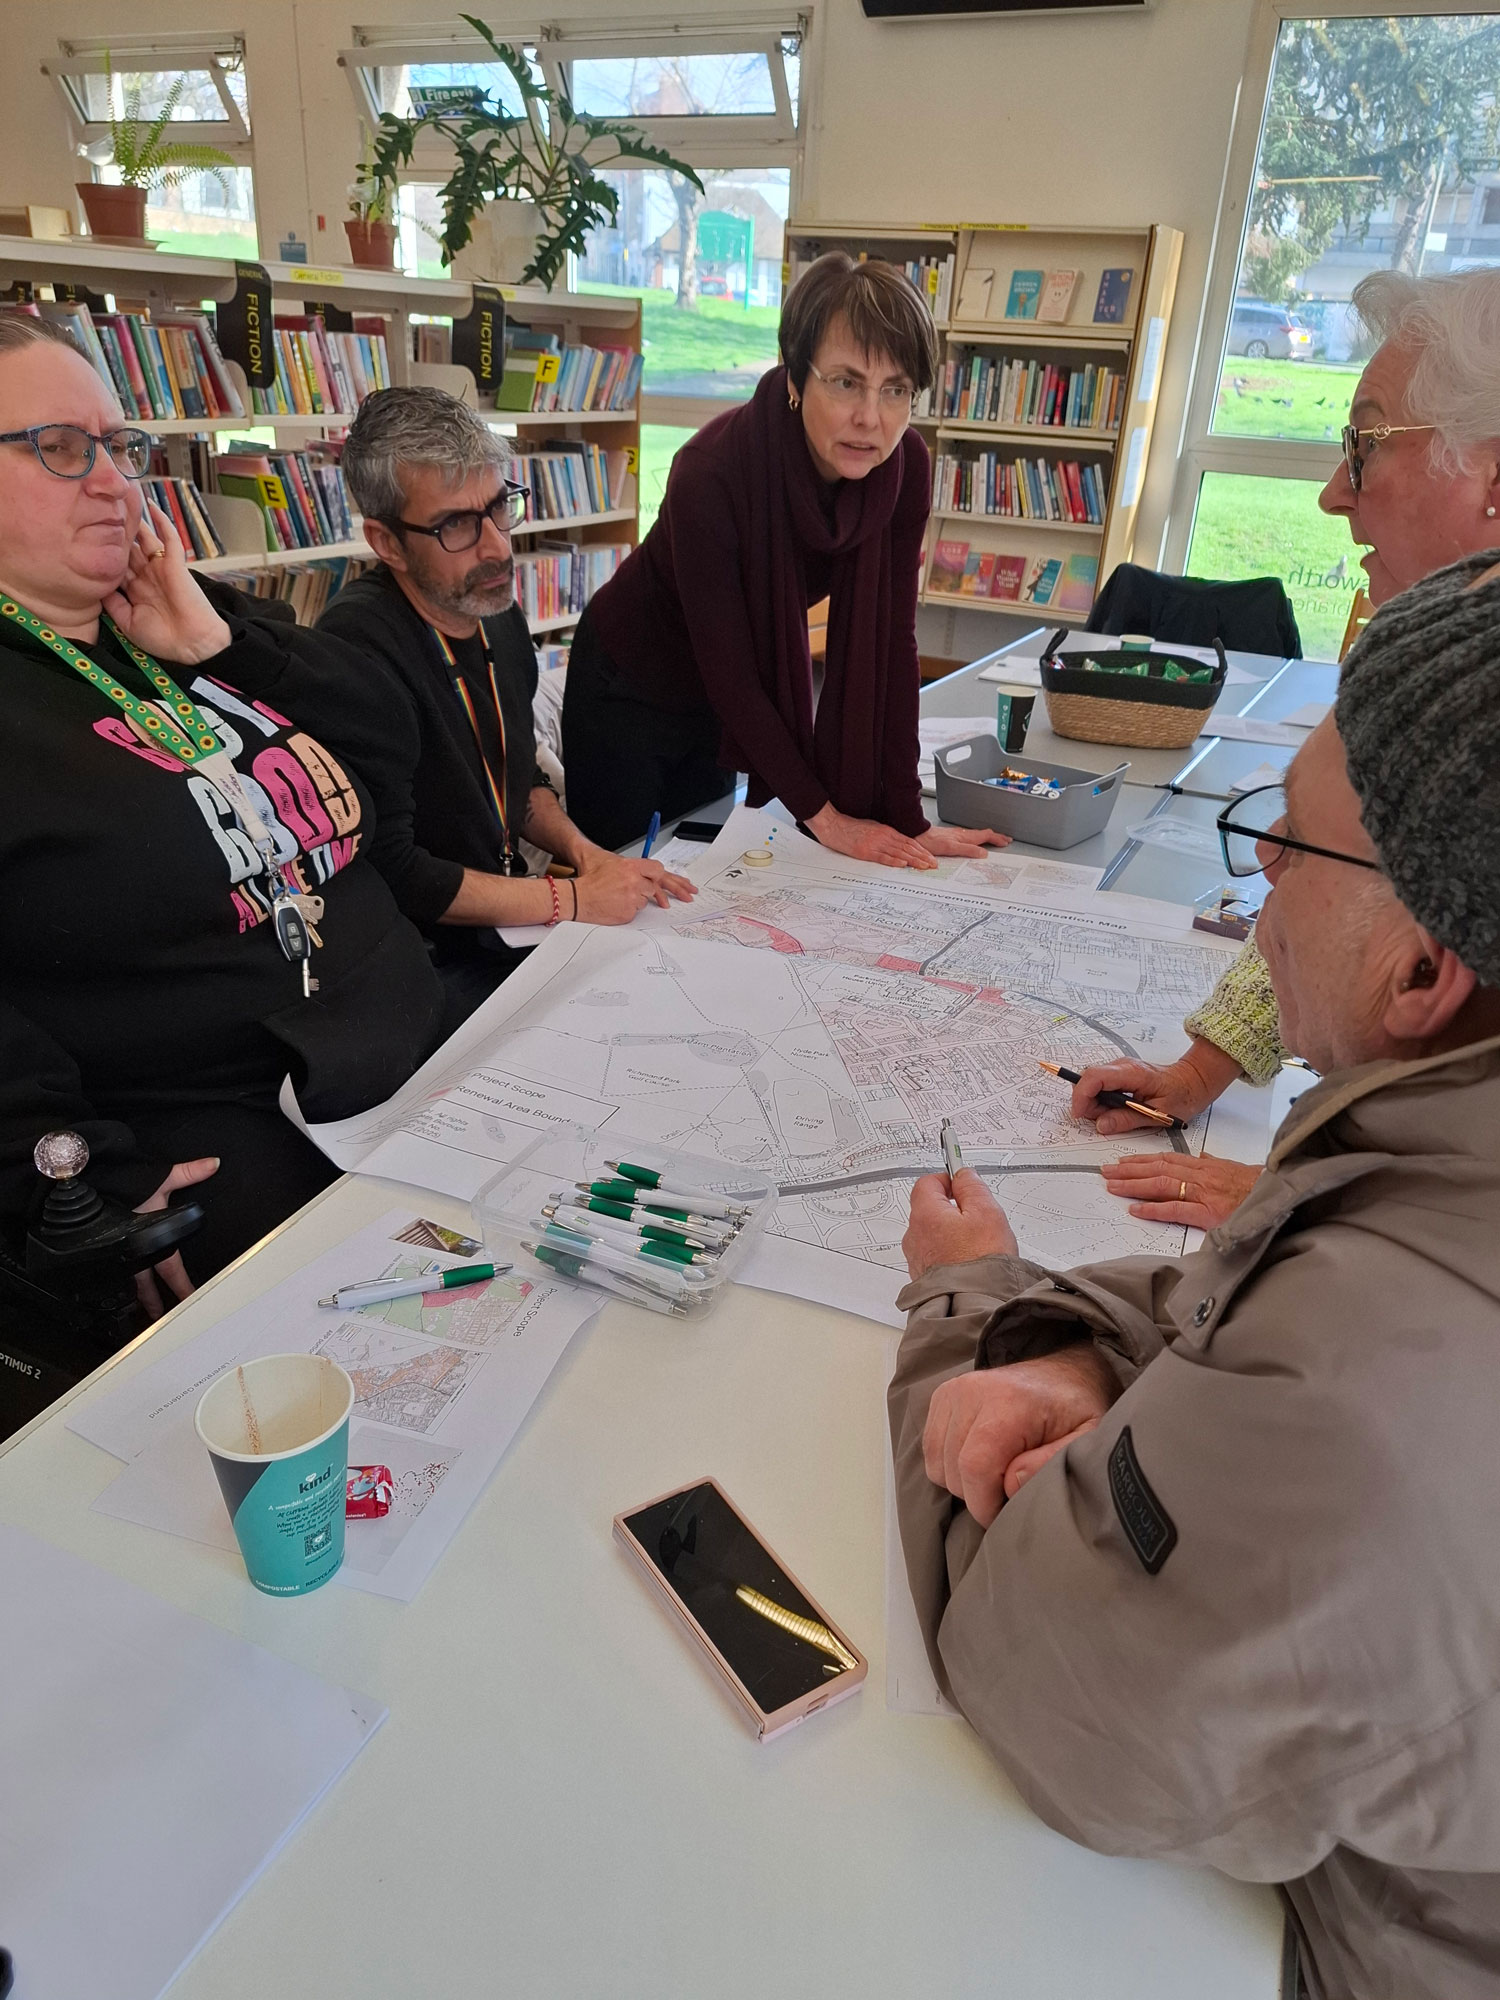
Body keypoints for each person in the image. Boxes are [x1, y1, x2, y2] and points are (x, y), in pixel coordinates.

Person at [889, 552, 1500, 2000]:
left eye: (1289, 847)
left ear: (1424, 977)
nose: (1260, 886)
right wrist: (1071, 1346)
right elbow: (1262, 1305)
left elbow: (1052, 1682)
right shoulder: (1437, 1201)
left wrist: (968, 1314)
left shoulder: (1369, 1382)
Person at [0, 316, 447, 1305]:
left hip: (414, 1047)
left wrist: (216, 642)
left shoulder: (167, 612)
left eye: (119, 447)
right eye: (62, 450)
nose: (117, 483)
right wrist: (70, 1169)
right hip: (240, 1125)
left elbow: (388, 735)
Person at [1073, 264, 1500, 1229]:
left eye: (1366, 446)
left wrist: (1309, 1202)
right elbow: (1339, 889)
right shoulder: (1435, 668)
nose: (1331, 495)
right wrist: (1197, 1071)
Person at [560, 253, 1010, 867]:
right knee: (622, 877)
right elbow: (734, 673)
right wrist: (829, 821)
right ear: (796, 379)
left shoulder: (903, 471)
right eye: (846, 382)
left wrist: (907, 817)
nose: (870, 418)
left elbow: (895, 646)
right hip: (630, 682)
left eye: (896, 389)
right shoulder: (712, 473)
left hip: (719, 704)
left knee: (704, 877)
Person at [321, 388, 694, 1017]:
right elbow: (399, 870)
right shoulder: (355, 652)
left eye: (499, 507)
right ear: (386, 543)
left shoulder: (494, 612)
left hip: (503, 922)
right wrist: (572, 901)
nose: (496, 547)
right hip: (417, 963)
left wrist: (591, 858)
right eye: (457, 525)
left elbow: (517, 785)